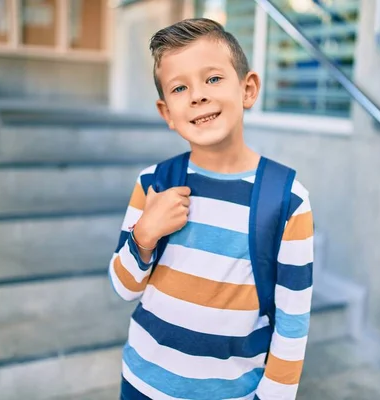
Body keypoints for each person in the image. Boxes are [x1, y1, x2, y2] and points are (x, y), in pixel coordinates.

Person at [108, 18, 314, 400]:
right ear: (166, 112)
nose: (197, 96)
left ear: (248, 89)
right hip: (142, 384)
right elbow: (123, 287)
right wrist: (145, 234)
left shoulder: (287, 200)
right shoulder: (154, 182)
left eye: (213, 79)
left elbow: (293, 319)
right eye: (180, 87)